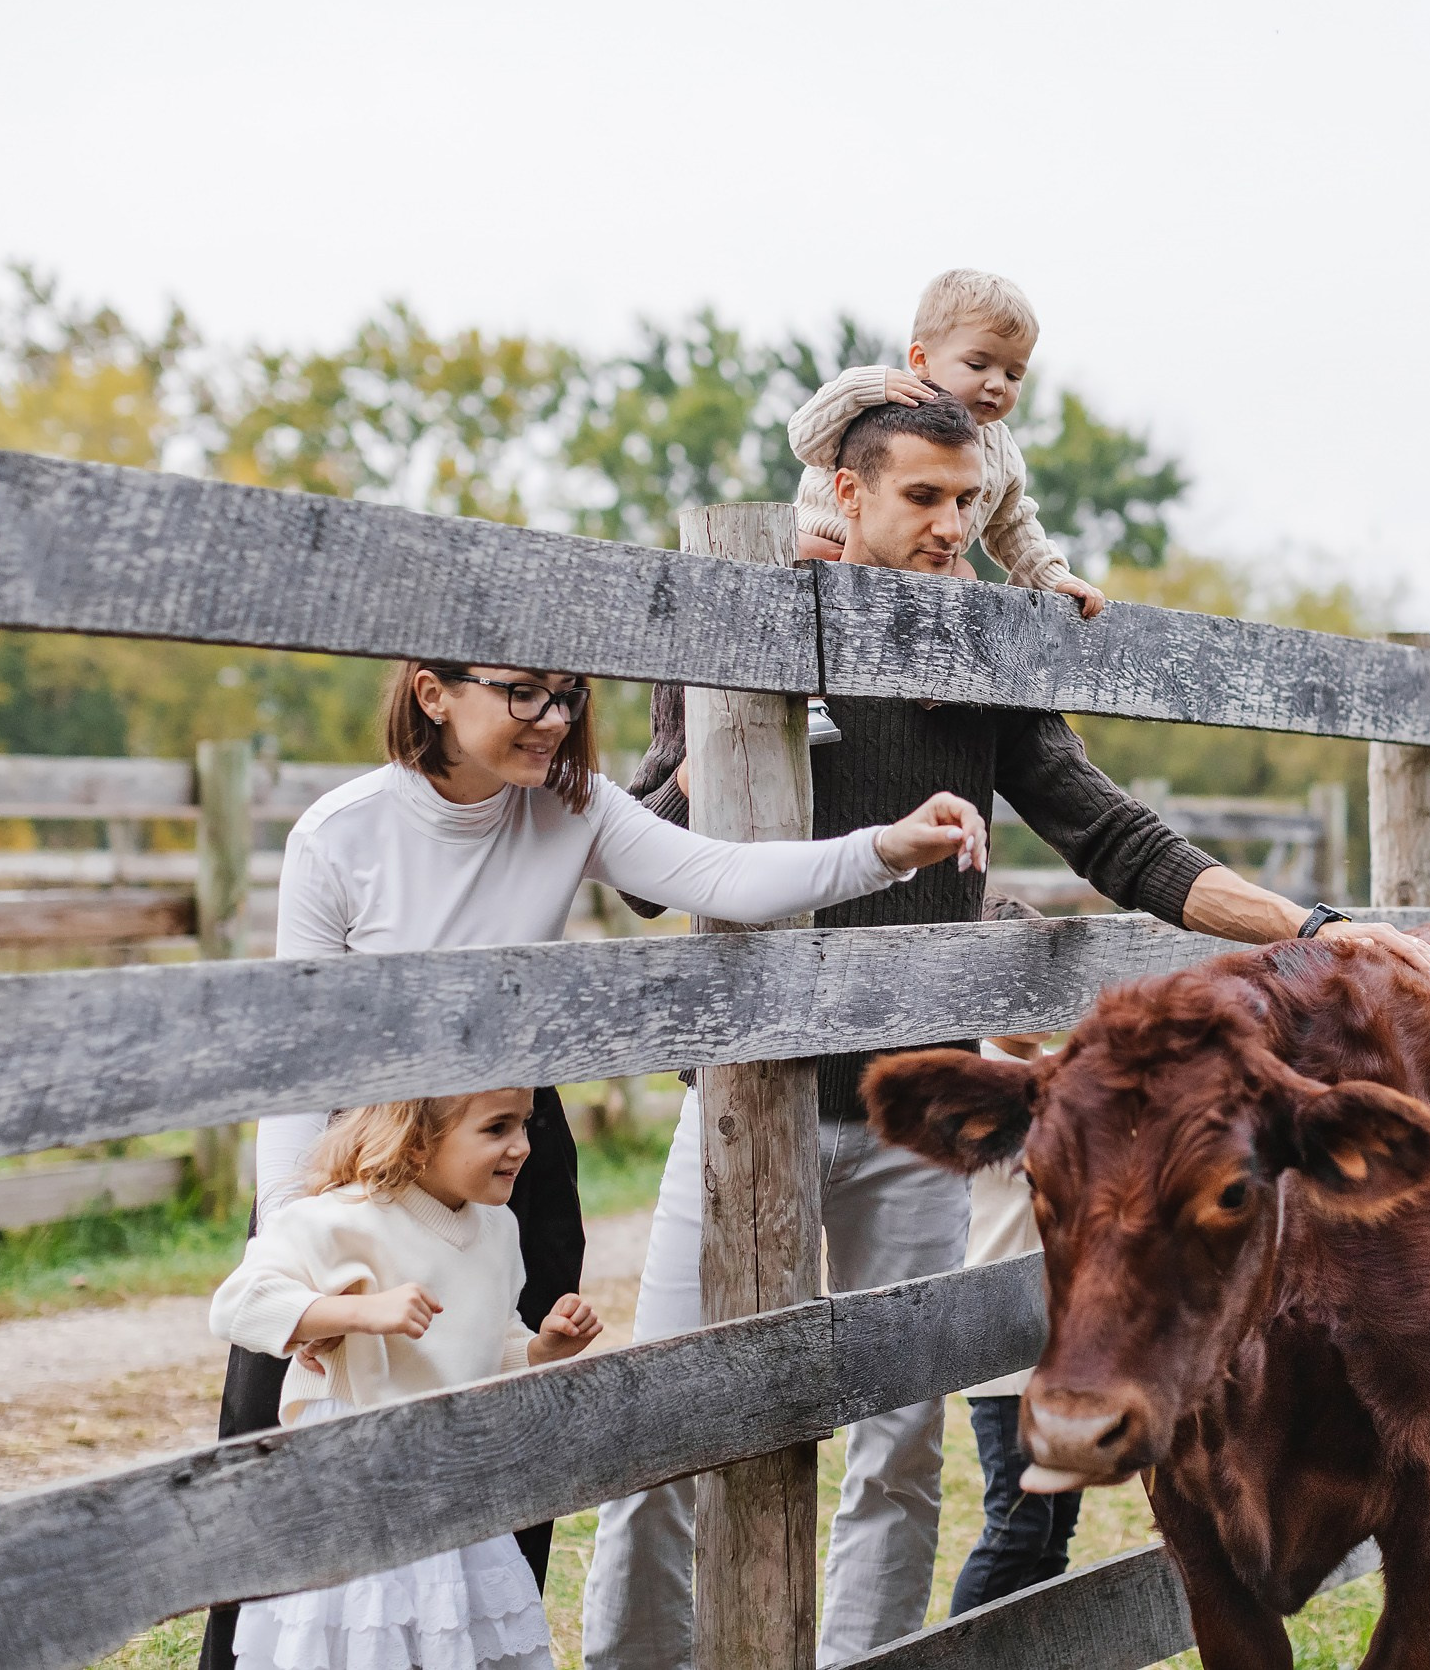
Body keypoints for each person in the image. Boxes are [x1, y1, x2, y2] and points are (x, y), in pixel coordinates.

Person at [586, 391, 1430, 1669]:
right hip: (745, 1100)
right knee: (669, 1420)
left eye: (969, 498)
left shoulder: (987, 652)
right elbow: (648, 867)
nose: (950, 525)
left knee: (898, 1440)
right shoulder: (738, 613)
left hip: (916, 1112)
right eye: (922, 498)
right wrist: (748, 700)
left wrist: (1307, 925)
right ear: (845, 490)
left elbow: (1114, 836)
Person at [197, 660, 990, 1670]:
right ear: (433, 693)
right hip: (357, 1163)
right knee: (280, 1448)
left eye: (567, 694)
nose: (553, 719)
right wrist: (292, 1239)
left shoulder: (570, 807)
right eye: (522, 693)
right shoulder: (339, 834)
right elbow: (295, 1059)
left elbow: (720, 878)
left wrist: (884, 848)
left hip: (511, 1157)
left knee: (510, 1429)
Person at [210, 1087, 605, 1670]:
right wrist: (354, 1313)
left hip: (453, 1484)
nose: (523, 1146)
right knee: (367, 1639)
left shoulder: (497, 1231)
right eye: (497, 1129)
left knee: (448, 1637)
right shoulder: (342, 1219)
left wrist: (542, 1349)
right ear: (418, 1142)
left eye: (524, 1124)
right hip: (358, 1484)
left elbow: (492, 1343)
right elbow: (237, 1305)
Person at [787, 268, 1109, 618]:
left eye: (1013, 374)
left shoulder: (1000, 451)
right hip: (828, 539)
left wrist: (1050, 576)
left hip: (926, 557)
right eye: (977, 364)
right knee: (796, 554)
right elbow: (806, 440)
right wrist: (861, 388)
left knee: (964, 577)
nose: (997, 384)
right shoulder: (888, 406)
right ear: (921, 360)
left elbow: (1013, 522)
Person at [949, 896, 1076, 1615]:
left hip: (1062, 1338)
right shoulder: (979, 1084)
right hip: (1004, 1345)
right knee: (1017, 1524)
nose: (1040, 1001)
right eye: (1017, 983)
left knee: (1055, 1533)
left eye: (1048, 980)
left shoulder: (1055, 1079)